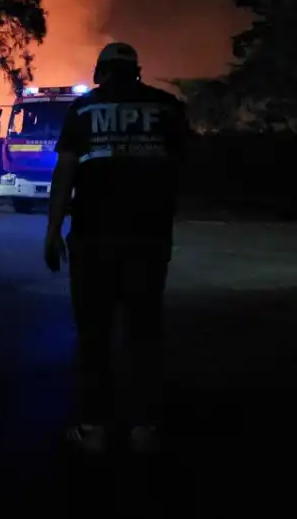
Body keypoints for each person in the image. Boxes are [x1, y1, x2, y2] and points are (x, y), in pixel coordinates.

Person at [43, 41, 189, 455]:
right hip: (148, 239)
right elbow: (181, 167)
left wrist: (53, 231)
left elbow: (65, 173)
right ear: (136, 71)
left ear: (100, 71)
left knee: (94, 334)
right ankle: (145, 428)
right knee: (144, 331)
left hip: (93, 239)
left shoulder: (84, 110)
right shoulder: (167, 107)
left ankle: (94, 428)